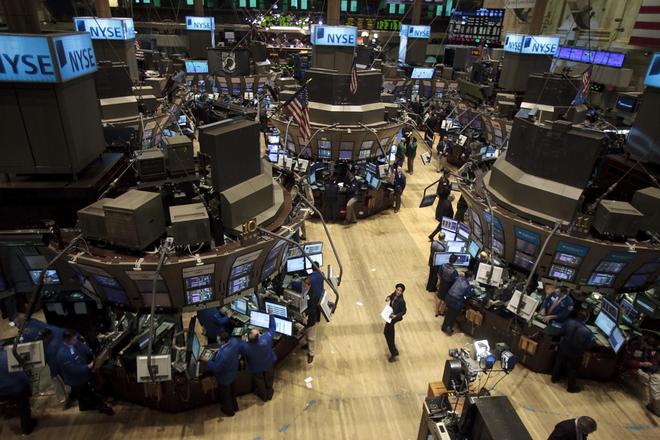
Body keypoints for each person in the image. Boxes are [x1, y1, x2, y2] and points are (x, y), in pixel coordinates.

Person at [56, 330, 114, 415]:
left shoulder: (73, 343)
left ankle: (84, 407)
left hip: (83, 375)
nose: (76, 340)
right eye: (74, 339)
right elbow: (72, 369)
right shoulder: (62, 354)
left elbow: (83, 350)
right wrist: (88, 366)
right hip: (76, 380)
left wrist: (92, 355)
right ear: (68, 339)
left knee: (83, 395)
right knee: (88, 394)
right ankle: (102, 406)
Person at [551, 309, 594, 393]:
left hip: (563, 348)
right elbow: (588, 346)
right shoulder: (588, 332)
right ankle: (571, 387)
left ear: (577, 315)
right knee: (573, 369)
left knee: (558, 363)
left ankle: (554, 378)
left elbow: (560, 332)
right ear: (587, 319)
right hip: (575, 354)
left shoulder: (568, 322)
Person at [241, 311, 277, 401]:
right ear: (259, 336)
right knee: (269, 378)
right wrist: (271, 315)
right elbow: (273, 327)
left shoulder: (245, 346)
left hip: (256, 368)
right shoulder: (266, 338)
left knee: (259, 381)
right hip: (268, 364)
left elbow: (241, 348)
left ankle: (263, 396)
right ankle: (269, 393)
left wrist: (243, 340)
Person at [0, 350, 37, 435]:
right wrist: (28, 381)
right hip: (16, 389)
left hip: (1, 392)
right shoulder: (8, 355)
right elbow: (21, 376)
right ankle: (27, 428)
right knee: (24, 400)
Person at [621, 335, 659, 416]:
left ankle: (655, 405)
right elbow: (625, 362)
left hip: (644, 369)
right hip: (631, 368)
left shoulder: (651, 348)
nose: (651, 349)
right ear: (647, 343)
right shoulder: (635, 344)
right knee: (649, 379)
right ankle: (656, 407)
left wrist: (652, 365)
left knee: (655, 379)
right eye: (650, 347)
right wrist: (641, 364)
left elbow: (654, 359)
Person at [207, 331, 241, 416]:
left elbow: (216, 368)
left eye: (218, 340)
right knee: (232, 392)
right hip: (233, 372)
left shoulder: (224, 355)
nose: (217, 341)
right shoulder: (234, 341)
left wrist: (208, 361)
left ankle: (229, 411)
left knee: (226, 396)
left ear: (223, 341)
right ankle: (235, 407)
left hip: (224, 378)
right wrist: (219, 350)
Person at [442, 270, 475, 335]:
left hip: (448, 297)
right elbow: (468, 295)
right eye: (473, 277)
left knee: (448, 314)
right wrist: (472, 290)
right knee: (453, 316)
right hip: (456, 302)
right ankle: (448, 329)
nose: (473, 278)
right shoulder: (467, 286)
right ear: (469, 277)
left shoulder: (459, 278)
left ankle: (444, 327)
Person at [383, 283, 407, 362]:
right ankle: (393, 349)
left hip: (394, 317)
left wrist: (395, 316)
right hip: (390, 315)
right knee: (389, 332)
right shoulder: (394, 294)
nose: (398, 292)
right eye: (397, 290)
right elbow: (392, 295)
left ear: (402, 292)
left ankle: (393, 352)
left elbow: (404, 311)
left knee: (387, 332)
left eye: (400, 291)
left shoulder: (401, 301)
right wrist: (388, 297)